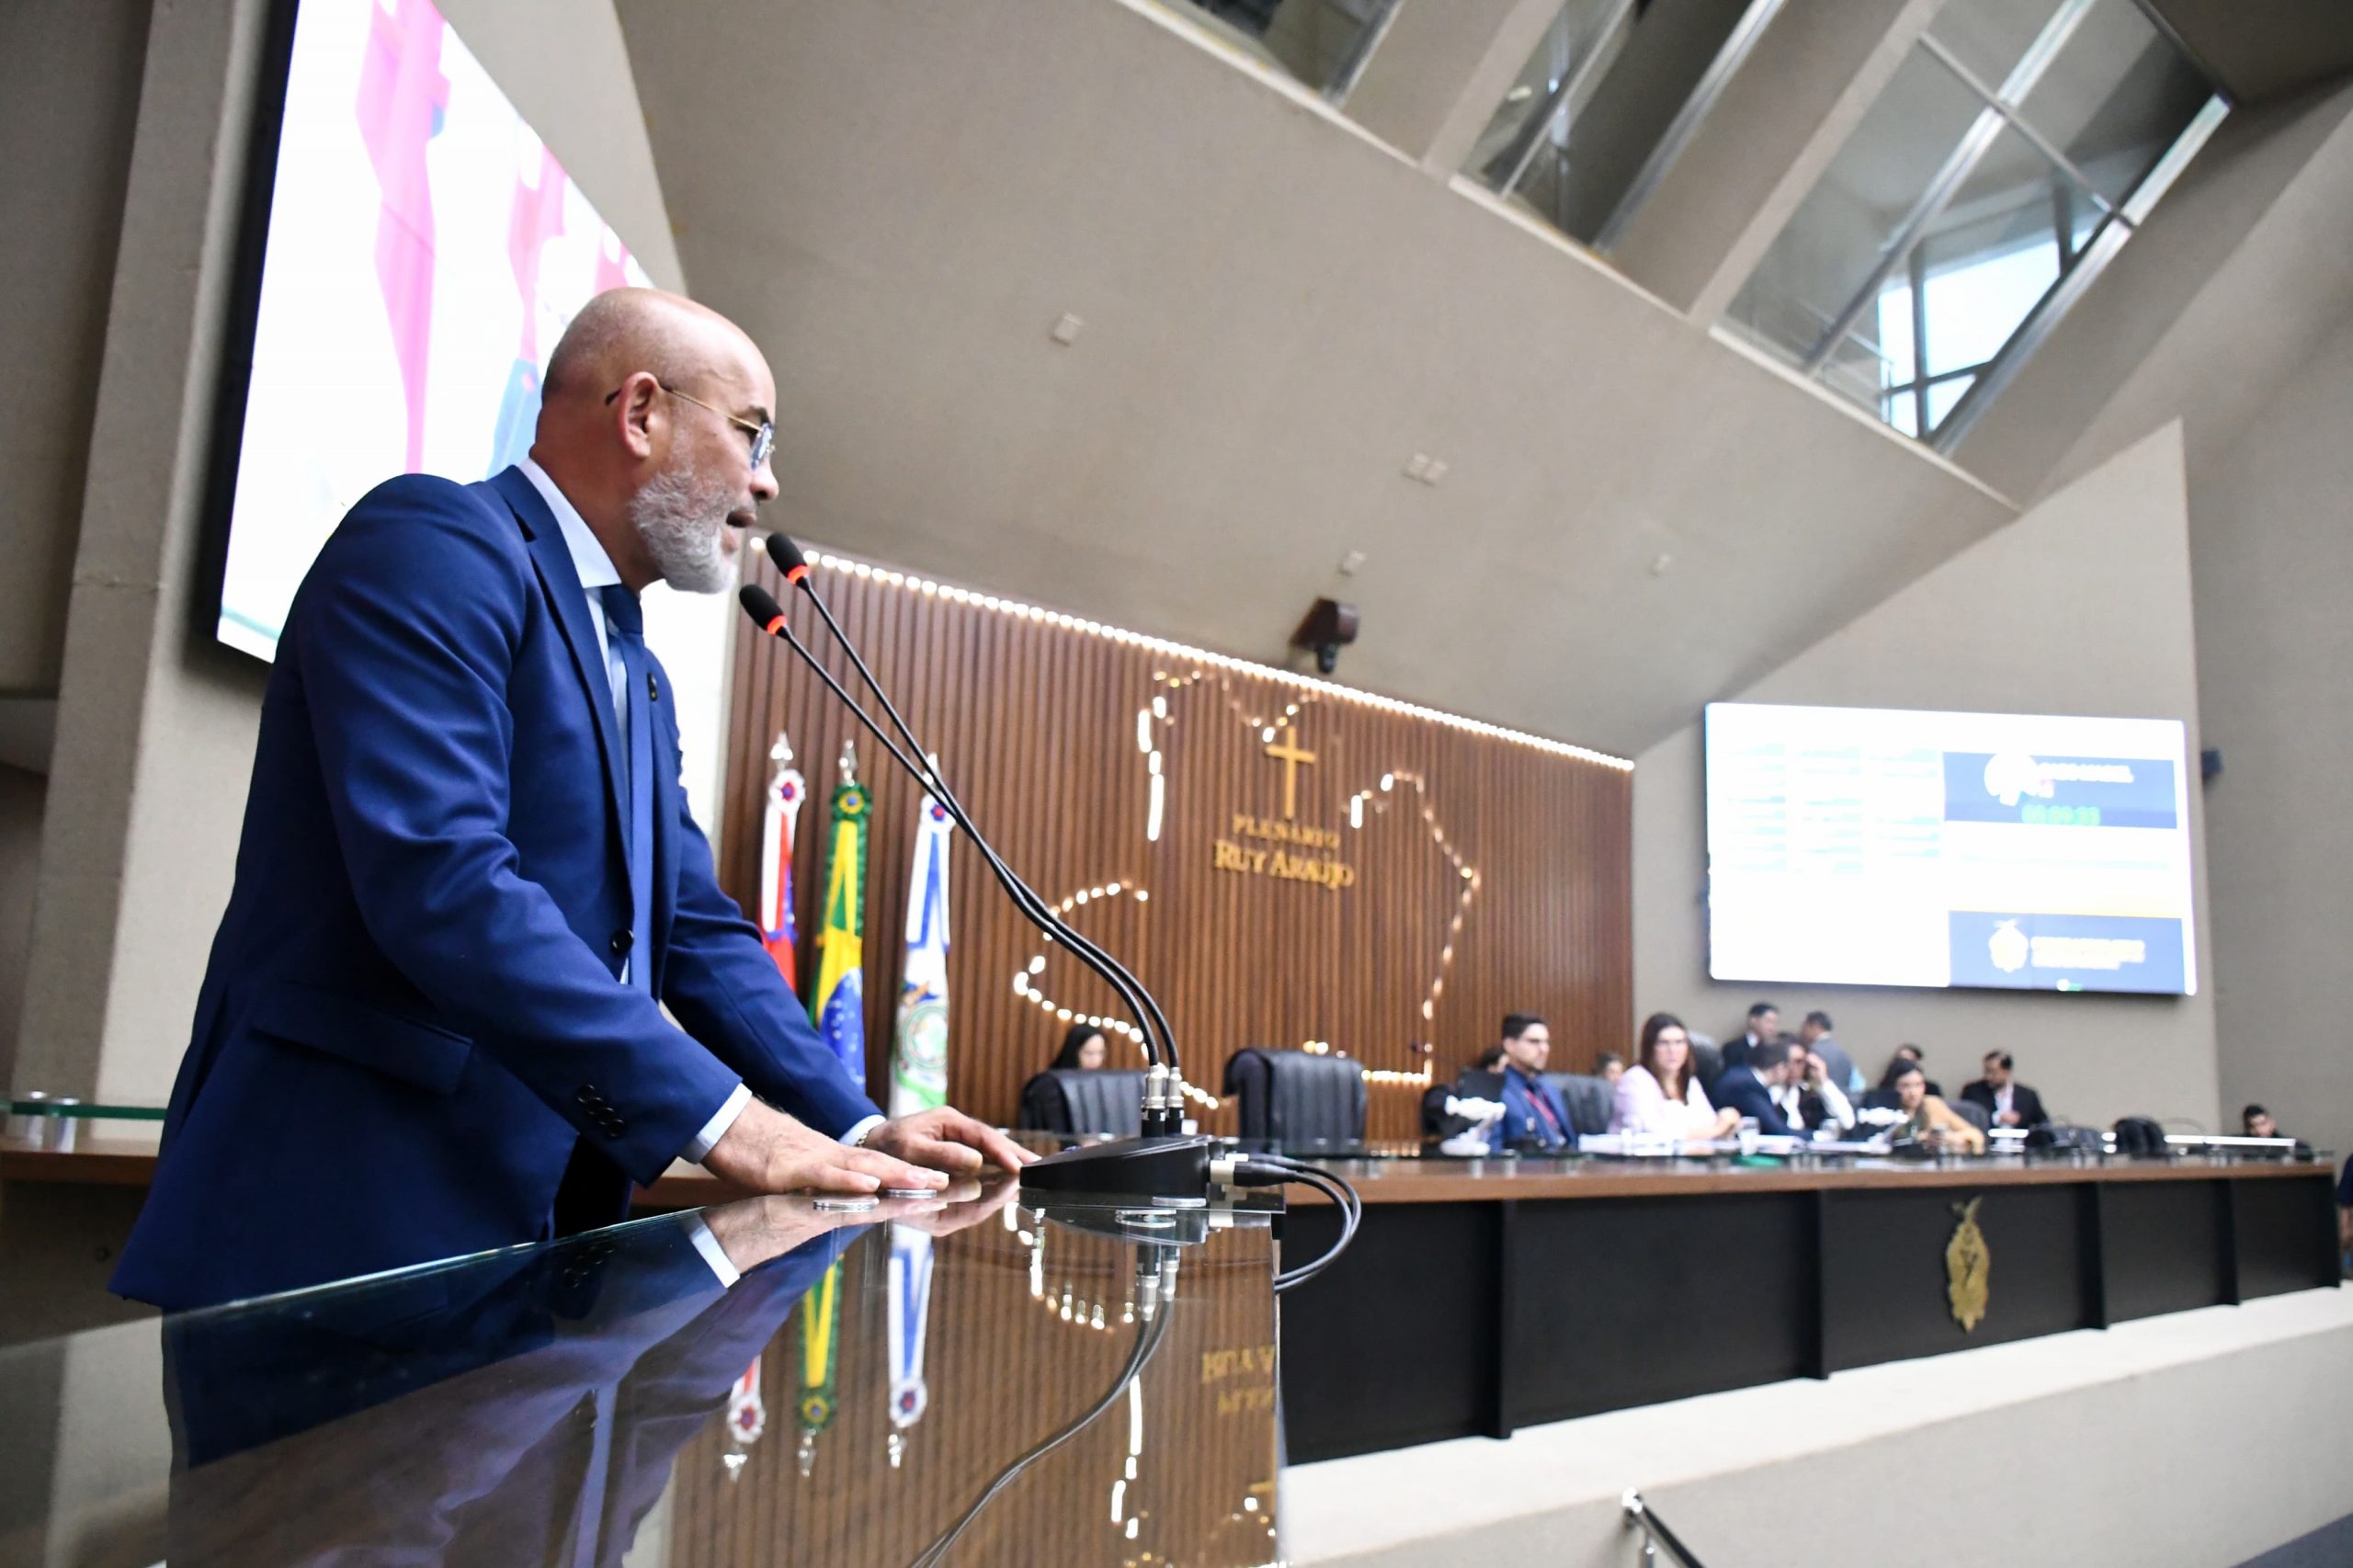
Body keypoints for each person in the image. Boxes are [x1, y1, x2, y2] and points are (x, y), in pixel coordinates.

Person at [111, 289, 1033, 1312]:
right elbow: (445, 882)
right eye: (752, 434)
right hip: (342, 1220)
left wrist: (853, 1125)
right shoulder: (433, 542)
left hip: (539, 1245)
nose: (766, 480)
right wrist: (730, 1124)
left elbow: (691, 928)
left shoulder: (636, 666)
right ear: (640, 412)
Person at [1611, 1013, 1740, 1140]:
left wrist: (1727, 1122)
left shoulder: (1690, 1081)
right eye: (1663, 1043)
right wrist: (1717, 1129)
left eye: (1679, 1042)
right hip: (1639, 1160)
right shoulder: (1635, 1079)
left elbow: (1710, 1124)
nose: (1672, 1050)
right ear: (1650, 1048)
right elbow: (1652, 1134)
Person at [1488, 1014, 1574, 1152]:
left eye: (1547, 1042)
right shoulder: (1494, 1089)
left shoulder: (1550, 1088)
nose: (1544, 1049)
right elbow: (1493, 1153)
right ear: (1509, 1045)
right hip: (1527, 1170)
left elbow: (1570, 1141)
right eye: (1534, 1042)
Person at [1711, 1040, 1802, 1138]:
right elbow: (1778, 1130)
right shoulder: (1748, 1086)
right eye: (1788, 1068)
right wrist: (1816, 1136)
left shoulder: (1743, 1075)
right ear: (1780, 1067)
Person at [1887, 1063, 1984, 1153]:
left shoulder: (1932, 1105)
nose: (1913, 1092)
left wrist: (1949, 1138)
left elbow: (1975, 1135)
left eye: (1918, 1085)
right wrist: (1918, 1139)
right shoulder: (1884, 1109)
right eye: (1905, 1086)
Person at [1779, 1046, 1857, 1135]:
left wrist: (1824, 1080)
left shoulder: (1809, 1095)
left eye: (1799, 1062)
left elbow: (1848, 1121)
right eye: (1786, 1062)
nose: (1793, 1068)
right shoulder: (1770, 1094)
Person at [1961, 1051, 2047, 1129]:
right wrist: (1997, 1118)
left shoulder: (2028, 1095)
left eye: (1993, 1072)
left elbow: (2043, 1123)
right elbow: (1964, 1120)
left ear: (2007, 1072)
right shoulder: (1973, 1092)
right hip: (1987, 1144)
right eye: (1986, 1071)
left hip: (2019, 1144)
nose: (1988, 1077)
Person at [1796, 1010, 1862, 1094]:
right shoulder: (1842, 1053)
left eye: (1804, 1027)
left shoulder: (1813, 1052)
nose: (1801, 1032)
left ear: (1815, 1026)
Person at [1722, 1001, 1779, 1069]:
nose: (1772, 1028)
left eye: (1774, 1023)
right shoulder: (1733, 1048)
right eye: (1768, 1022)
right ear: (1753, 1021)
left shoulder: (1776, 1050)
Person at [1878, 1044, 1943, 1098]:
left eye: (1918, 1085)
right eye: (1901, 1059)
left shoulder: (1932, 1089)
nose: (1913, 1092)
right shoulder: (1884, 1088)